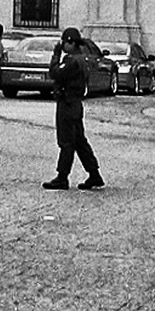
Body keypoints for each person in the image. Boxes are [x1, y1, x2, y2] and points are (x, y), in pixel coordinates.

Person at [42, 26, 104, 191]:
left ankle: (62, 177)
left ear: (70, 43)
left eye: (64, 42)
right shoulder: (80, 59)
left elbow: (55, 73)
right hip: (74, 103)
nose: (62, 45)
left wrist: (55, 56)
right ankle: (94, 174)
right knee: (79, 142)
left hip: (68, 103)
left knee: (66, 142)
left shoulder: (72, 61)